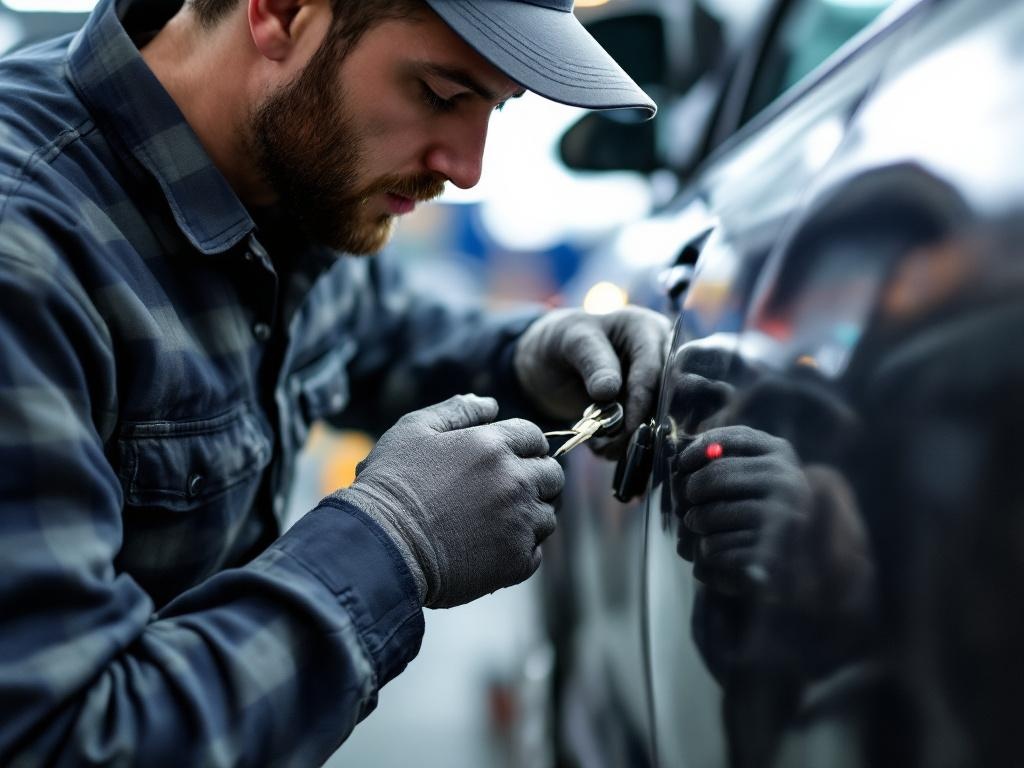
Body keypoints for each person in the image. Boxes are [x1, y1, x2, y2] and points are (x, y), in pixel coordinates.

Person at [0, 0, 670, 764]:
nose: (467, 166)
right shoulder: (26, 256)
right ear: (280, 12)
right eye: (442, 95)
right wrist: (390, 543)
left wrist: (522, 357)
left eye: (497, 107)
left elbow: (368, 334)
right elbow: (59, 743)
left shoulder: (288, 171)